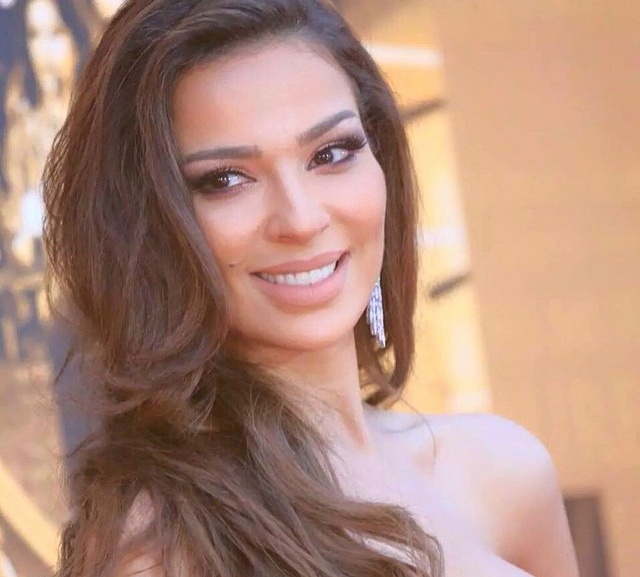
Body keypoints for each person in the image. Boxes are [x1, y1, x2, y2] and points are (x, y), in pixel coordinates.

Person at [42, 1, 580, 576]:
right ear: (148, 226)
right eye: (226, 180)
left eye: (330, 154)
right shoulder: (160, 548)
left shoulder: (504, 469)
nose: (300, 220)